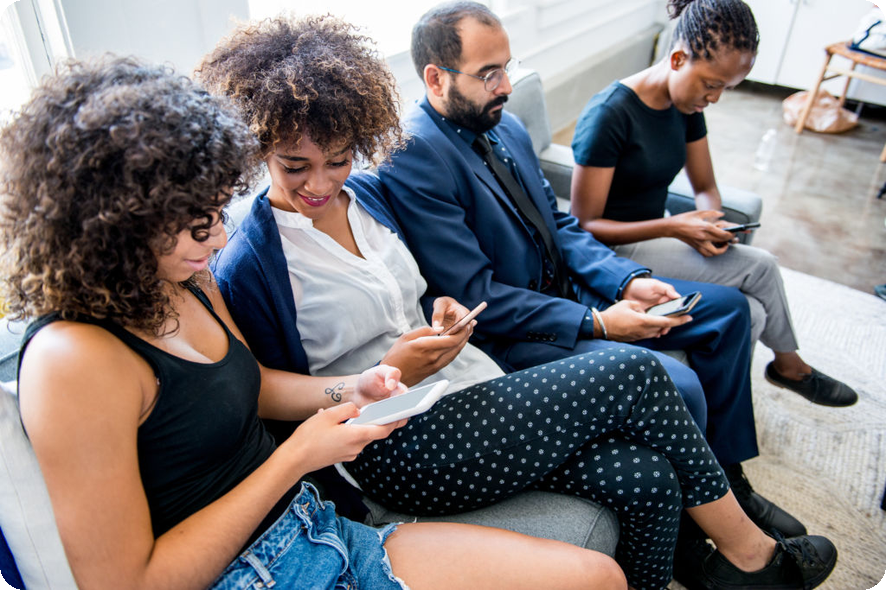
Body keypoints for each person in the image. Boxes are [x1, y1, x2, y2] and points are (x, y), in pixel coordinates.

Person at [199, 14, 836, 590]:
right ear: (259, 147)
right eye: (295, 166)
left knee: (647, 477)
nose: (319, 183)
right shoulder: (252, 260)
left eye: (337, 160)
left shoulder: (367, 197)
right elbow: (264, 395)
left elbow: (426, 292)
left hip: (462, 385)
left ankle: (702, 572)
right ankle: (751, 558)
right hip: (391, 441)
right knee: (636, 372)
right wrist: (376, 378)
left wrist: (444, 316)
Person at [0, 56, 639, 590]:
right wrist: (295, 457)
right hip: (249, 572)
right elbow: (127, 583)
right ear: (113, 224)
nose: (218, 237)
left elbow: (254, 385)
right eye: (196, 225)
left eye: (216, 213)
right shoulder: (72, 360)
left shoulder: (184, 279)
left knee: (597, 577)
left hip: (313, 523)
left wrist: (355, 387)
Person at [375, 0, 803, 541]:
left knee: (730, 312)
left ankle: (726, 474)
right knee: (680, 384)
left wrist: (626, 280)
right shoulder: (415, 152)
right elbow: (476, 293)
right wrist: (598, 323)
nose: (507, 85)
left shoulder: (504, 126)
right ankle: (700, 531)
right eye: (489, 74)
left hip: (572, 291)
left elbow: (560, 224)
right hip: (517, 334)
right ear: (436, 78)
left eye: (507, 66)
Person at [569, 0, 856, 409]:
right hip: (614, 252)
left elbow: (704, 186)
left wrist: (712, 220)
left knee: (754, 313)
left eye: (726, 88)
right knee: (761, 266)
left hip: (658, 234)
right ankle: (790, 367)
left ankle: (714, 407)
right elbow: (585, 225)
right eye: (711, 84)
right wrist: (675, 227)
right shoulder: (610, 115)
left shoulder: (685, 104)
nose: (715, 98)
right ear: (677, 59)